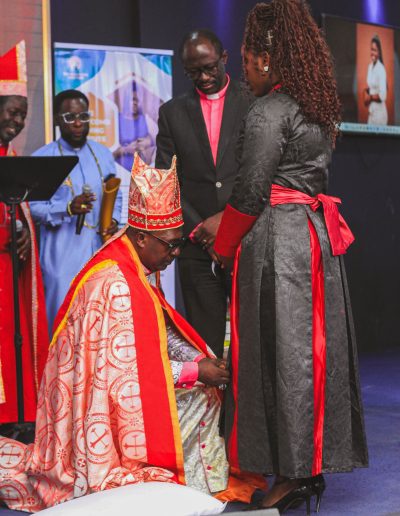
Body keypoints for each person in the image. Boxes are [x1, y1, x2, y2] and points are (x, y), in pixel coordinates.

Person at [0, 153, 263, 512]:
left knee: (205, 386)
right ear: (141, 237)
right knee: (201, 394)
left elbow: (158, 333)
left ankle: (196, 481)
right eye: (170, 244)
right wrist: (195, 371)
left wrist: (200, 359)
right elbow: (126, 375)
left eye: (179, 243)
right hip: (99, 412)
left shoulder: (132, 262)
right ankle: (187, 484)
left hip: (111, 391)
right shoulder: (115, 284)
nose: (175, 253)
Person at [214, 1, 368, 513]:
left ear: (266, 58)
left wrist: (222, 246)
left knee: (279, 356)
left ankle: (292, 473)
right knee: (310, 353)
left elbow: (251, 191)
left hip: (279, 242)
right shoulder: (316, 106)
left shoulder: (271, 110)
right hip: (315, 239)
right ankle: (308, 467)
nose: (245, 71)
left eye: (247, 60)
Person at [156, 29, 252, 358]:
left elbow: (261, 170)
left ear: (224, 58)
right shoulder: (172, 112)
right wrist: (201, 229)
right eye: (194, 72)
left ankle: (243, 396)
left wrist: (228, 221)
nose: (204, 77)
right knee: (205, 347)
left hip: (246, 241)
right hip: (198, 249)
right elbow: (167, 178)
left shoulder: (253, 101)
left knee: (250, 341)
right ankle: (214, 396)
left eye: (210, 68)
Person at [30, 89, 123, 335]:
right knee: (62, 326)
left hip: (98, 251)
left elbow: (116, 194)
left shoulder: (102, 153)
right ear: (57, 119)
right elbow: (32, 208)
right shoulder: (43, 158)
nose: (78, 123)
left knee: (98, 322)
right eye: (70, 117)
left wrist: (113, 219)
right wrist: (68, 208)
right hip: (61, 256)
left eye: (83, 116)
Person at [0, 41, 48, 442]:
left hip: (9, 270)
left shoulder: (13, 160)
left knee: (12, 340)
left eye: (22, 115)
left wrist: (26, 238)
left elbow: (23, 216)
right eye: (12, 112)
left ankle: (17, 414)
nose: (17, 122)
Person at [113, 81, 155, 168]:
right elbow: (108, 153)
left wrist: (148, 142)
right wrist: (126, 149)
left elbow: (157, 139)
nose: (135, 103)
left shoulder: (145, 119)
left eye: (138, 100)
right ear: (126, 99)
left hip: (141, 169)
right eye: (133, 99)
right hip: (120, 168)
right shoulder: (116, 118)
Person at [364, 35, 388, 125]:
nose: (372, 52)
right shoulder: (370, 67)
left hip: (380, 115)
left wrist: (369, 97)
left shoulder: (381, 69)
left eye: (375, 50)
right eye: (371, 49)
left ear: (379, 52)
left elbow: (383, 96)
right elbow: (370, 86)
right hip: (371, 112)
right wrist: (365, 92)